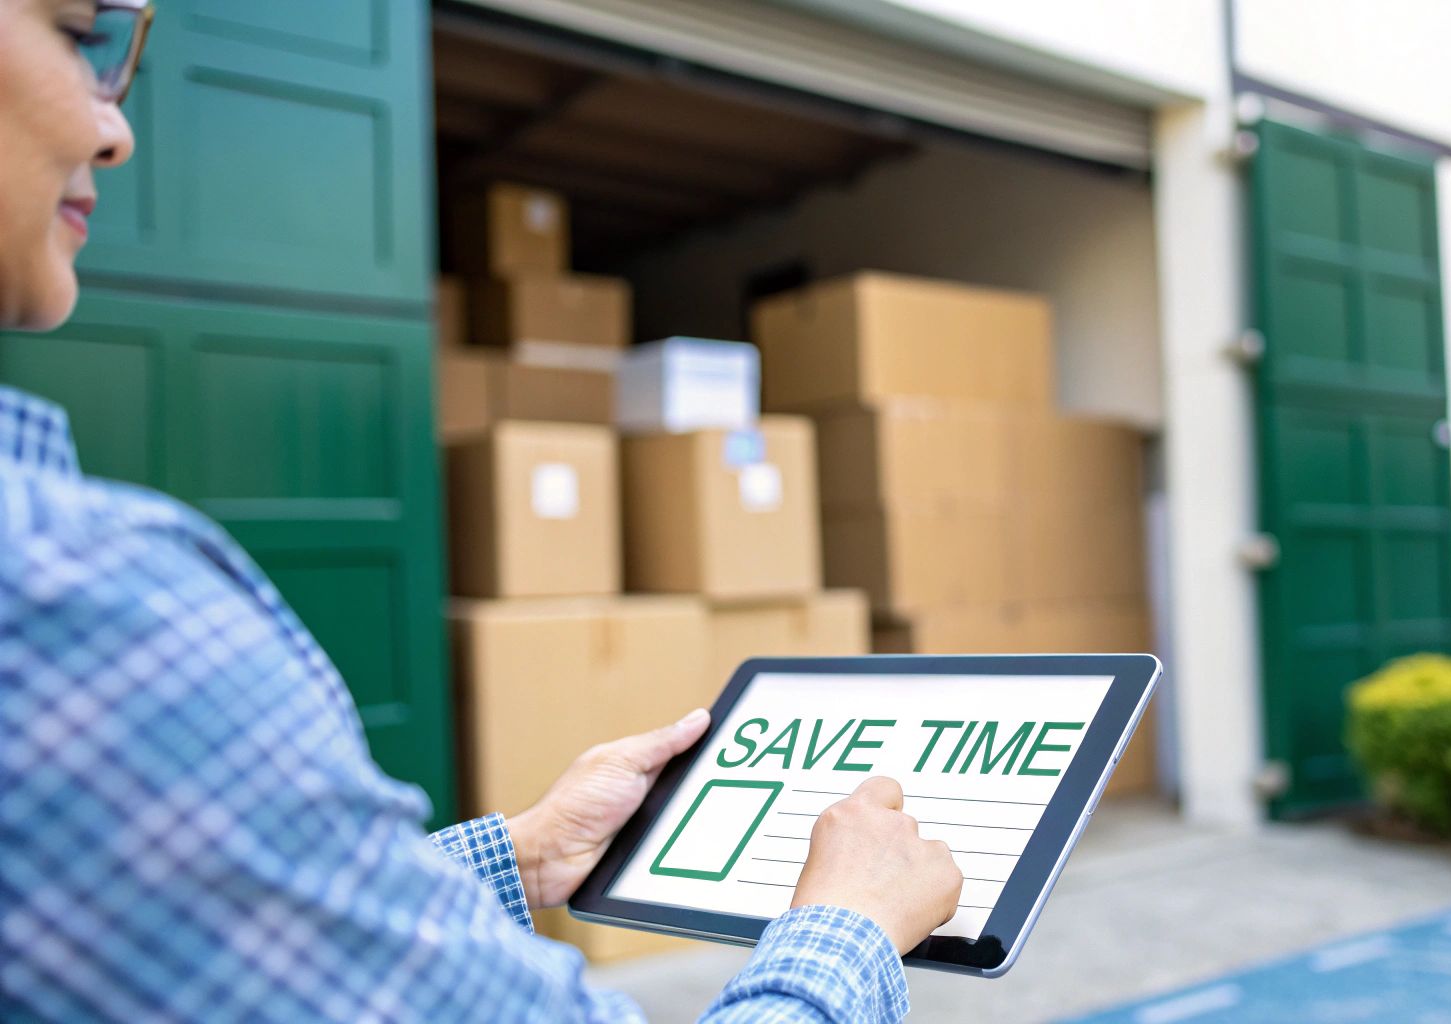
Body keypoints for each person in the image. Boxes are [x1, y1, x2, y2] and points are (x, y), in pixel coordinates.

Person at [0, 2, 963, 1020]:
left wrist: (522, 852)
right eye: (75, 34)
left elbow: (208, 933)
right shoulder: (67, 600)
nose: (116, 127)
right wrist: (847, 928)